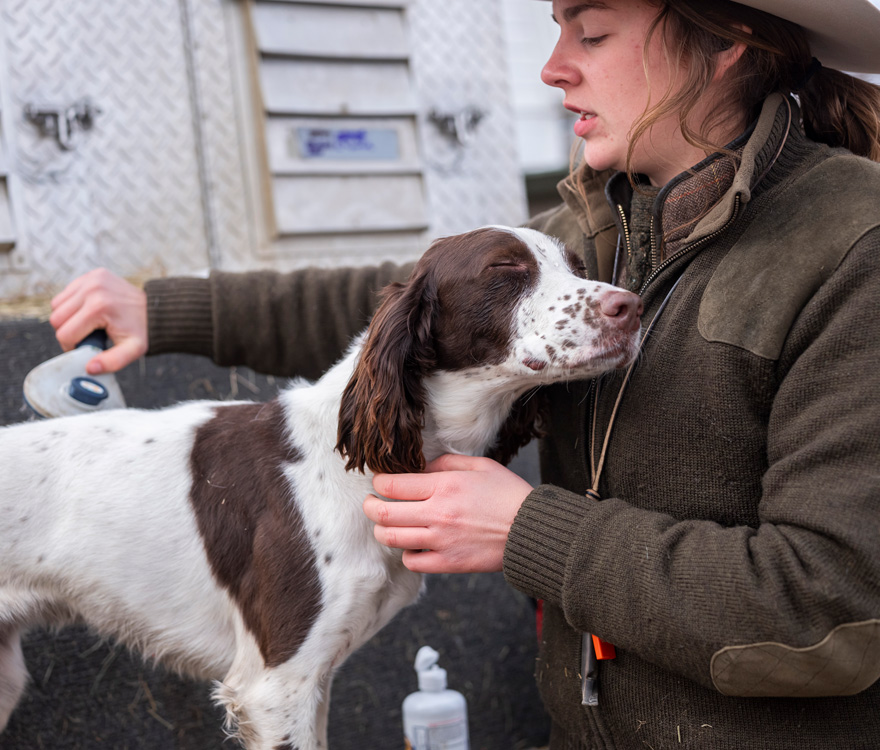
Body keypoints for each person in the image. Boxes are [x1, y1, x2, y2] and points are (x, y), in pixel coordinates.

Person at [49, 0, 880, 746]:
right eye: (555, 30)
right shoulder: (595, 233)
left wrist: (529, 531)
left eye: (591, 33)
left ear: (728, 42)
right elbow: (403, 303)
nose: (552, 68)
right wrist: (166, 311)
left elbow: (831, 607)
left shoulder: (853, 249)